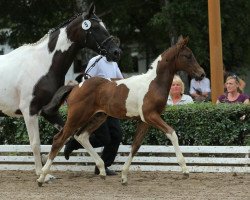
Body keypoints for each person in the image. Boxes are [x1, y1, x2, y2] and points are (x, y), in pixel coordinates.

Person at [64, 54, 124, 176]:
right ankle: (74, 143)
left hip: (110, 105)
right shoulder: (95, 61)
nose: (116, 54)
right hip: (95, 106)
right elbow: (86, 81)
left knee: (117, 135)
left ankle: (103, 166)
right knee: (104, 138)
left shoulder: (114, 63)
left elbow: (121, 81)